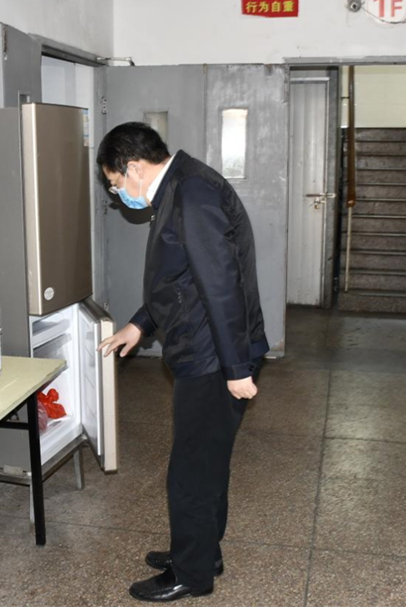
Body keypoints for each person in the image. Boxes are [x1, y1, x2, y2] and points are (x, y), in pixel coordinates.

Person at [97, 122, 269, 602]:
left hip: (213, 358)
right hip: (210, 349)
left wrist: (236, 369)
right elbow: (180, 278)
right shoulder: (181, 185)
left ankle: (191, 575)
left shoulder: (192, 194)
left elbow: (221, 286)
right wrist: (140, 324)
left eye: (114, 182)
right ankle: (202, 552)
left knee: (191, 471)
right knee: (205, 463)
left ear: (134, 167)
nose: (115, 193)